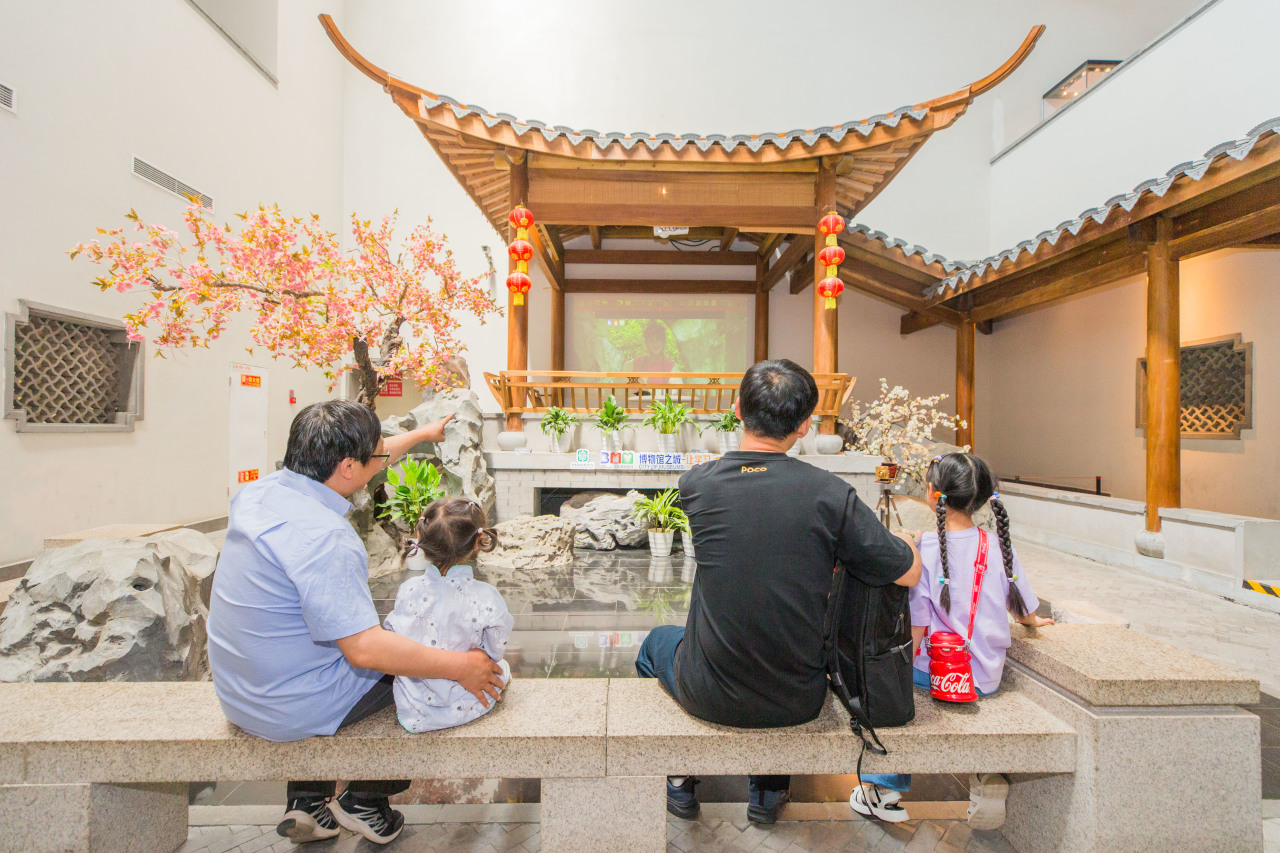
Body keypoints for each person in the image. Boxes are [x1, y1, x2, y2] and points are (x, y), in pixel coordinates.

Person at [634, 359, 923, 825]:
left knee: (654, 644)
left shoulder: (697, 485)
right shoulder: (830, 493)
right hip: (798, 698)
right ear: (805, 425)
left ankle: (680, 778)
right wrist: (906, 542)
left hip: (707, 691)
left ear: (737, 410)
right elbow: (907, 573)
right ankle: (766, 793)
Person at [208, 401, 506, 846]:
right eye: (377, 453)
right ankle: (367, 799)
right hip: (291, 706)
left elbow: (371, 456)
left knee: (341, 643)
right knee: (424, 677)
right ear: (348, 466)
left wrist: (423, 434)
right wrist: (462, 666)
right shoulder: (327, 539)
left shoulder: (259, 493)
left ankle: (308, 801)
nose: (383, 457)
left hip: (240, 691)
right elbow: (365, 650)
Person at [852, 453, 1053, 827]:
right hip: (986, 676)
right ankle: (985, 776)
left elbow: (918, 626)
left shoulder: (926, 548)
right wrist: (1034, 622)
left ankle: (884, 788)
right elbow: (1023, 605)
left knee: (897, 703)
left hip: (937, 675)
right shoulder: (998, 545)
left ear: (933, 493)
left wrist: (895, 672)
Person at [384, 497, 514, 732]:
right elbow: (495, 651)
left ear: (421, 537)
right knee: (501, 666)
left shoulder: (407, 590)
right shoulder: (486, 596)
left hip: (415, 706)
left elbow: (394, 639)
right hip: (467, 700)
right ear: (477, 542)